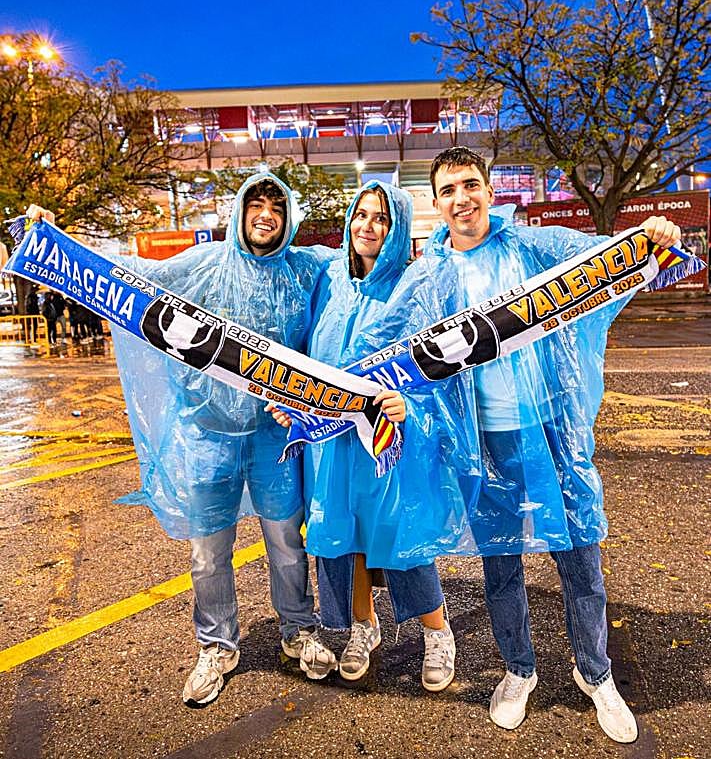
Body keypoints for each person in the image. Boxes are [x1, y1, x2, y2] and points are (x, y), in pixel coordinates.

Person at [356, 147, 681, 743]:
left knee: (581, 559)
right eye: (449, 189)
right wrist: (359, 398)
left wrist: (652, 235)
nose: (462, 198)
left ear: (489, 189)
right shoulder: (426, 279)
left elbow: (617, 261)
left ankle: (596, 673)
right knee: (501, 565)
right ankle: (518, 670)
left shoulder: (533, 248)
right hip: (484, 444)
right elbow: (382, 357)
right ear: (436, 203)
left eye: (471, 184)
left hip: (551, 432)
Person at [26, 172, 338, 706]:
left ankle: (298, 630)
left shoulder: (304, 268)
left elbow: (362, 264)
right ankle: (217, 645)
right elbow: (132, 275)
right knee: (208, 552)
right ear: (240, 211)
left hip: (276, 436)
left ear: (289, 219)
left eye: (277, 207)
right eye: (256, 204)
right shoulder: (206, 262)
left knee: (287, 543)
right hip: (209, 433)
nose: (266, 215)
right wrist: (54, 244)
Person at [269, 181, 458, 691]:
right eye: (361, 215)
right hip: (330, 443)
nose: (367, 227)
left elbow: (438, 367)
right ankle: (362, 626)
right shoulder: (329, 280)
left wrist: (410, 405)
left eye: (381, 219)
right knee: (339, 536)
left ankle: (437, 634)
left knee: (397, 535)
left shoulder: (412, 288)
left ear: (396, 230)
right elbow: (303, 355)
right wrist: (291, 402)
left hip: (385, 439)